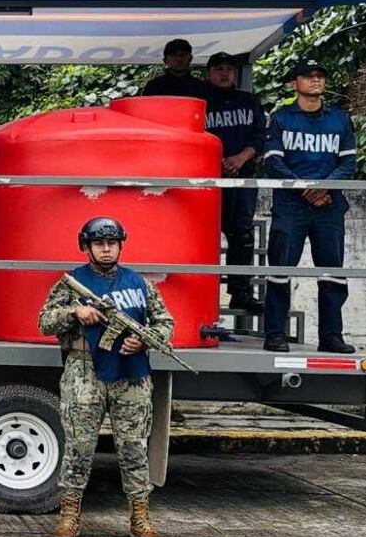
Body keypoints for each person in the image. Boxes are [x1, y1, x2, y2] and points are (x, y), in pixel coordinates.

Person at [38, 217, 174, 537]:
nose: (106, 248)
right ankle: (69, 517)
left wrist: (145, 341)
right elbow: (44, 321)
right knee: (79, 447)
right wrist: (75, 312)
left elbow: (165, 323)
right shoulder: (72, 283)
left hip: (131, 375)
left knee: (134, 448)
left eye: (112, 242)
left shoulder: (138, 283)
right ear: (86, 247)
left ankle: (140, 519)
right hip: (84, 372)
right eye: (99, 243)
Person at [262, 57, 358, 354]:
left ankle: (331, 336)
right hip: (291, 205)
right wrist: (306, 189)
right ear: (294, 83)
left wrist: (323, 187)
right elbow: (273, 162)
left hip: (329, 206)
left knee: (332, 272)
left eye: (320, 75)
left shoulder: (339, 119)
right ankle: (275, 334)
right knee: (280, 270)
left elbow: (349, 162)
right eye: (308, 76)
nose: (316, 80)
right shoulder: (281, 119)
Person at [203, 51, 267, 314]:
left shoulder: (250, 101)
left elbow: (261, 137)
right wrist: (214, 162)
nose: (225, 73)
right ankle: (201, 294)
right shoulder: (200, 102)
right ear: (209, 72)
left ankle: (240, 293)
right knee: (201, 237)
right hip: (206, 180)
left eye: (229, 68)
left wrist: (241, 158)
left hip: (241, 179)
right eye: (219, 68)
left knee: (241, 236)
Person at [141, 39, 208, 99]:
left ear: (190, 58)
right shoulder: (154, 86)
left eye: (183, 55)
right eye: (174, 55)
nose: (179, 59)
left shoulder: (201, 87)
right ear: (165, 60)